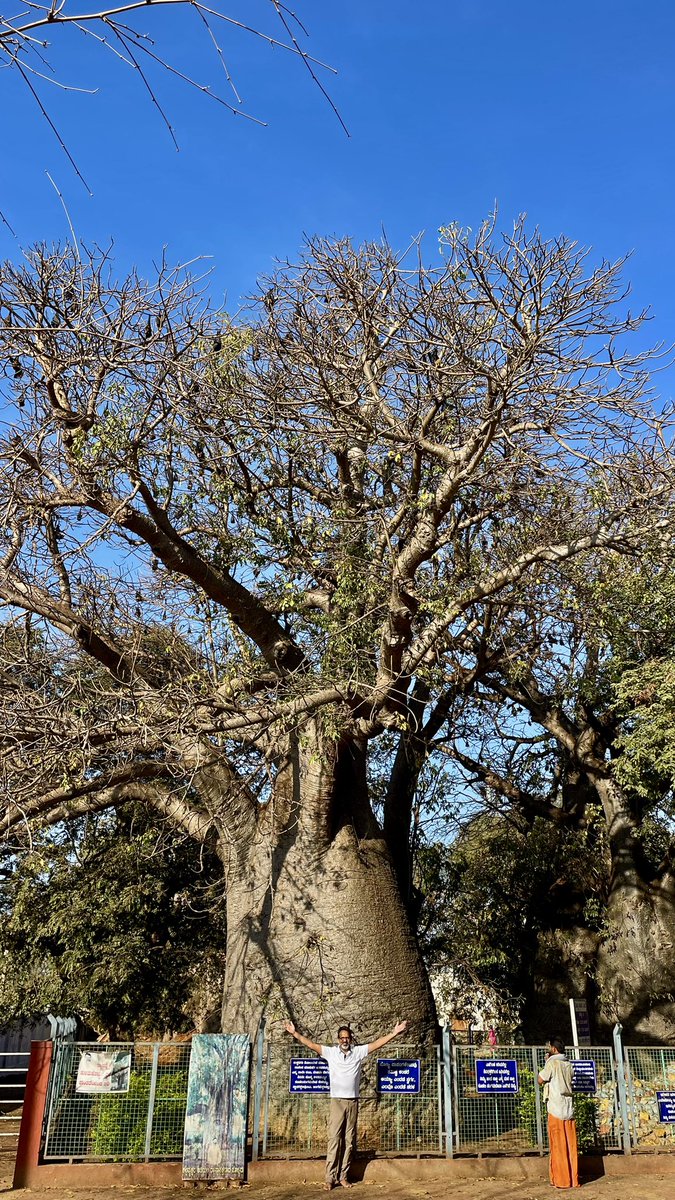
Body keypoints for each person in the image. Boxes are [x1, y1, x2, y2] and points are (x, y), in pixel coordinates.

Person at [285, 1017, 408, 1190]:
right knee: (334, 1139)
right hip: (337, 1102)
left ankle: (343, 1176)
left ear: (351, 1039)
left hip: (353, 1102)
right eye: (342, 1037)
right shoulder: (331, 1053)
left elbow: (376, 1044)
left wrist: (394, 1033)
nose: (345, 1040)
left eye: (347, 1037)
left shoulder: (357, 1052)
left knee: (349, 1141)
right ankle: (330, 1177)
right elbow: (312, 1045)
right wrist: (295, 1033)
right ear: (338, 1040)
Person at [538, 1035, 580, 1189]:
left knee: (558, 1146)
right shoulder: (568, 1064)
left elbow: (540, 1079)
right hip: (569, 1109)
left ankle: (561, 1180)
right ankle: (573, 1180)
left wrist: (547, 1061)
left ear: (553, 1049)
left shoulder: (552, 1063)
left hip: (555, 1109)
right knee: (570, 1146)